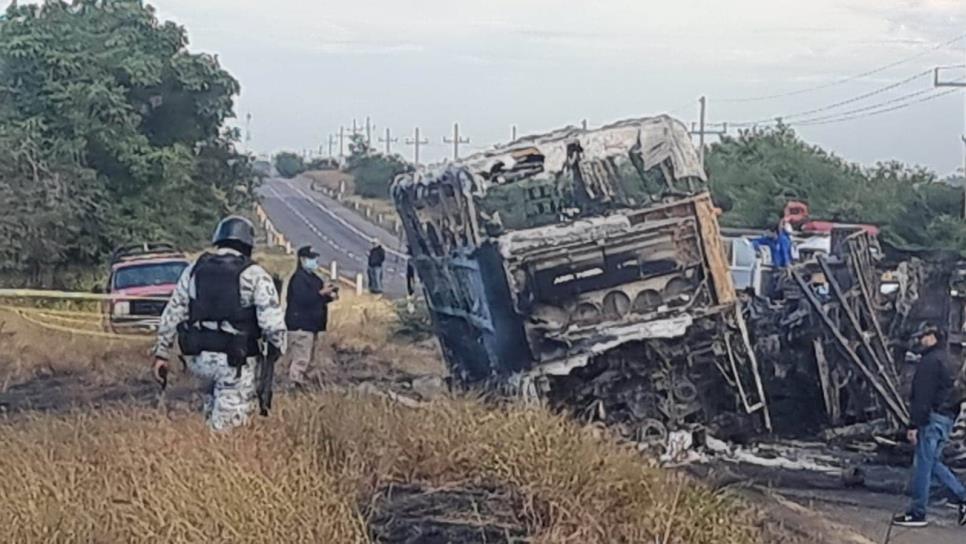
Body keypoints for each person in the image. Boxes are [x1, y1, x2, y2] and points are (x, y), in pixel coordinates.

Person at [151, 216, 287, 431]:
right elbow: (273, 327)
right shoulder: (254, 275)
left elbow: (173, 312)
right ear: (247, 244)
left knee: (203, 415)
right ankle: (217, 459)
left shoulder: (195, 270)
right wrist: (275, 352)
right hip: (235, 361)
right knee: (230, 428)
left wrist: (161, 353)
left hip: (198, 359)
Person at [892, 323, 966, 528]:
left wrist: (914, 424)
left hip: (932, 419)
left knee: (923, 466)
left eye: (923, 336)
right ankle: (962, 497)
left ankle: (917, 513)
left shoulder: (929, 362)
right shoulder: (948, 360)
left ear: (932, 336)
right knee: (932, 462)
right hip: (946, 418)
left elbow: (922, 397)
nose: (919, 340)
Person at [284, 246, 338, 387]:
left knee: (309, 360)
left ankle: (304, 386)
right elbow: (304, 299)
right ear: (302, 260)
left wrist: (329, 296)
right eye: (311, 258)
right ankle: (293, 386)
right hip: (300, 326)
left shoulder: (314, 279)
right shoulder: (298, 279)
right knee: (301, 360)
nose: (314, 261)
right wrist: (321, 293)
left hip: (312, 326)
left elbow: (316, 300)